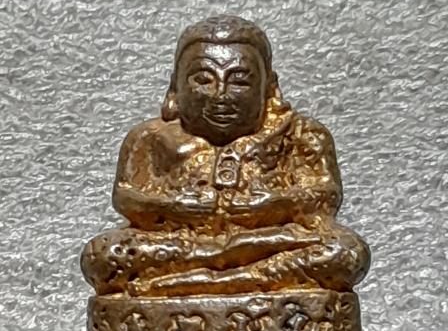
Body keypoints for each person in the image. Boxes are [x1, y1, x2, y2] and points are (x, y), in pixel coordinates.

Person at [81, 16, 370, 298]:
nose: (220, 95)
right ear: (175, 86)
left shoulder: (300, 133)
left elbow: (325, 195)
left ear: (269, 87)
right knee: (105, 255)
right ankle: (219, 272)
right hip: (180, 244)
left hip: (271, 240)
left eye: (240, 81)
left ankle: (197, 283)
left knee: (344, 251)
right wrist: (174, 207)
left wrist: (272, 205)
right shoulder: (149, 137)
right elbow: (126, 197)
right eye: (203, 80)